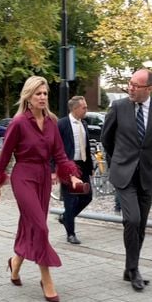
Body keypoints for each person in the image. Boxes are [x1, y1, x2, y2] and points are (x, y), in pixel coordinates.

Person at [0, 76, 83, 302]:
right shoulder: (19, 123)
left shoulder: (51, 122)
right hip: (23, 177)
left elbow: (59, 154)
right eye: (38, 93)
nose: (42, 97)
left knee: (30, 225)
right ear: (28, 97)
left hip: (43, 178)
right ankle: (46, 279)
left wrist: (71, 175)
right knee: (40, 227)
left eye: (45, 93)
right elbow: (5, 155)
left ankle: (15, 264)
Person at [101, 69, 152, 292]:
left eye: (136, 85)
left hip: (146, 174)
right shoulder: (119, 107)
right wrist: (120, 161)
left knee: (140, 224)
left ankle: (129, 267)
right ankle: (134, 270)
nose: (130, 88)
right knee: (131, 220)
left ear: (149, 89)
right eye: (129, 84)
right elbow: (106, 139)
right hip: (124, 174)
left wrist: (145, 160)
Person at [54, 96, 93, 245]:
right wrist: (55, 169)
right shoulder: (62, 124)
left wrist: (90, 168)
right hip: (68, 167)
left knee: (87, 196)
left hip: (82, 166)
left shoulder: (84, 123)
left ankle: (66, 217)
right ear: (75, 108)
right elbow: (55, 148)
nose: (86, 110)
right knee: (70, 201)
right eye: (84, 107)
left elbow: (87, 148)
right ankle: (71, 233)